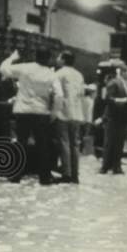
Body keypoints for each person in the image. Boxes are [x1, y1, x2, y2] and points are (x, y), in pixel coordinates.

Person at [0, 46, 56, 184]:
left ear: (36, 56)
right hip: (41, 112)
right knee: (43, 145)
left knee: (21, 142)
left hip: (23, 111)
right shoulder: (51, 74)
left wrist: (12, 57)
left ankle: (16, 176)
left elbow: (3, 69)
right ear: (48, 59)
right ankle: (45, 177)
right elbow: (58, 95)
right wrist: (53, 112)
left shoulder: (25, 68)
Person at [51, 50, 85, 184]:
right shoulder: (79, 75)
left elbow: (56, 93)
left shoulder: (59, 74)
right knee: (75, 144)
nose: (57, 58)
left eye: (59, 56)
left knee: (64, 143)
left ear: (63, 60)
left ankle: (66, 174)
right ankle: (75, 175)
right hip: (77, 113)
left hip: (63, 112)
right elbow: (81, 93)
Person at [96, 67, 127, 174]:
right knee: (119, 143)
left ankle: (105, 167)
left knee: (109, 143)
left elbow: (108, 101)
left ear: (107, 76)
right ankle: (117, 167)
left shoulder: (111, 84)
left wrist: (103, 117)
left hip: (113, 118)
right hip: (123, 118)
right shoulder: (123, 83)